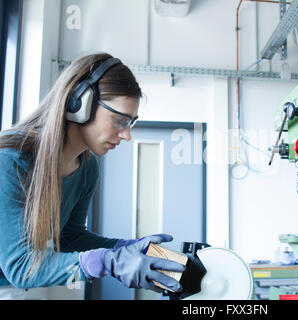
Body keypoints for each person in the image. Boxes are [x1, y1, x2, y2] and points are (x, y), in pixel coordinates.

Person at [0, 53, 185, 300]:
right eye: (119, 120)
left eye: (131, 123)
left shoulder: (87, 169)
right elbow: (21, 267)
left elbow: (70, 238)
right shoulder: (10, 162)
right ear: (79, 103)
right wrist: (108, 261)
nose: (127, 136)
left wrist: (123, 249)